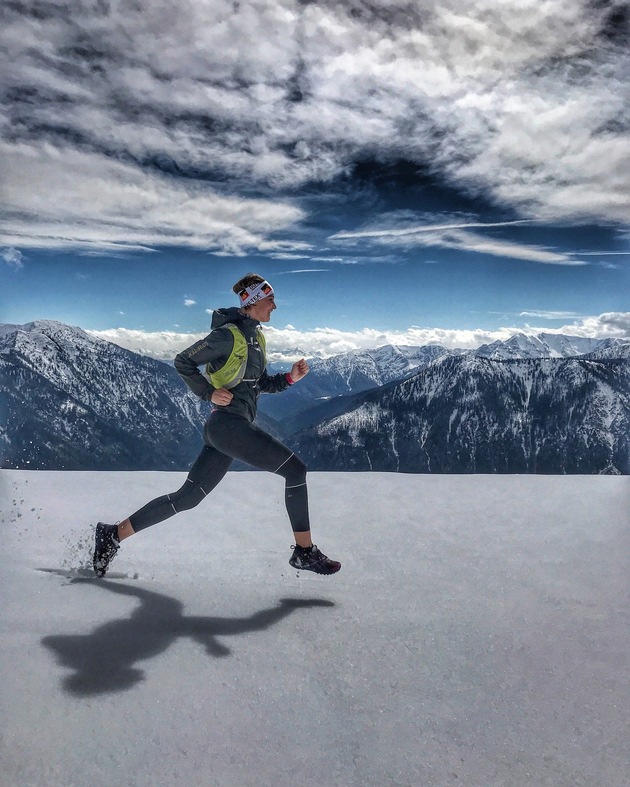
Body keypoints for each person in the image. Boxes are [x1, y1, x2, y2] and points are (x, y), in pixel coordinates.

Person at [92, 273, 341, 578]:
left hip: (226, 430)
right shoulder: (226, 335)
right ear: (252, 302)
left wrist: (289, 379)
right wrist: (207, 391)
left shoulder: (257, 337)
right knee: (296, 470)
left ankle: (112, 535)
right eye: (270, 299)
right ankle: (304, 552)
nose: (275, 306)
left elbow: (258, 383)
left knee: (188, 497)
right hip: (228, 426)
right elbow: (183, 361)